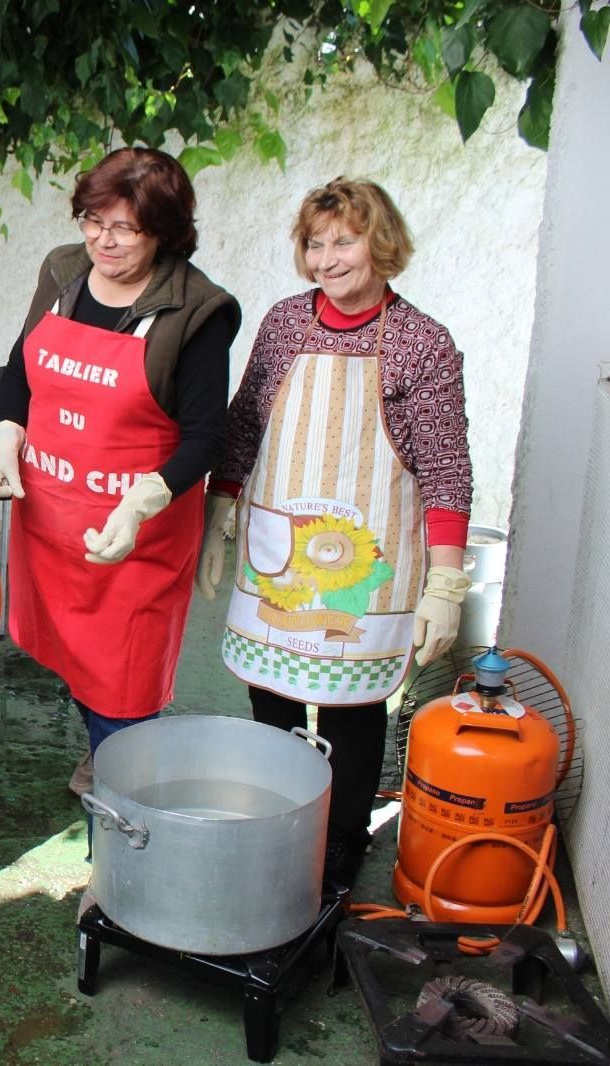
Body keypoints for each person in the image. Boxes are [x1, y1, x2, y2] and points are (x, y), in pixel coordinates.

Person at [197, 177, 472, 887]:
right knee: (273, 695)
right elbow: (245, 423)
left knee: (353, 707)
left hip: (366, 560)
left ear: (379, 243)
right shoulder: (285, 323)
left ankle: (343, 837)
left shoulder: (421, 342)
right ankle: (273, 816)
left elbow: (445, 468)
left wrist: (446, 580)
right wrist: (219, 512)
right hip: (280, 551)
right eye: (315, 244)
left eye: (343, 242)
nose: (327, 260)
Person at [0, 147, 240, 794]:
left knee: (126, 685)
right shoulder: (64, 271)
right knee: (74, 661)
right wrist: (5, 436)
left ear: (165, 232)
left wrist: (143, 501)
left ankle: (123, 816)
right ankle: (106, 754)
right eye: (93, 220)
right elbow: (22, 366)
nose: (104, 240)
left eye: (125, 227)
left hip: (136, 540)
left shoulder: (196, 310)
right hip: (53, 523)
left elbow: (207, 436)